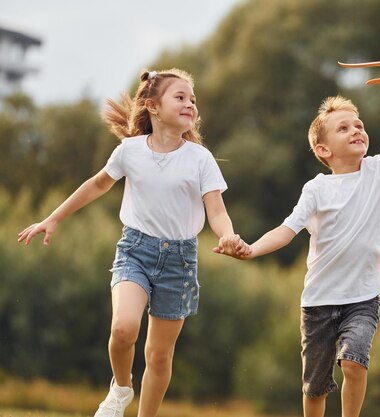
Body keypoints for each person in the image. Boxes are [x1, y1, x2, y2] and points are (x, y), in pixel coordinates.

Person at [18, 68, 242, 417]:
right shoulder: (130, 151)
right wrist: (54, 218)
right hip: (135, 251)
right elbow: (96, 184)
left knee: (158, 355)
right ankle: (121, 389)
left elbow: (216, 210)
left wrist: (227, 235)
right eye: (180, 97)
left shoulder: (201, 159)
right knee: (123, 329)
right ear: (153, 106)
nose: (190, 105)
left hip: (179, 261)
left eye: (193, 100)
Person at [216, 62, 380, 417]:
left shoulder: (377, 171)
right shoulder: (316, 189)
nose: (356, 130)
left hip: (362, 297)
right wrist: (251, 249)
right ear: (323, 151)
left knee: (354, 362)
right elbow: (287, 231)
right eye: (343, 127)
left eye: (359, 125)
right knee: (315, 388)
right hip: (318, 301)